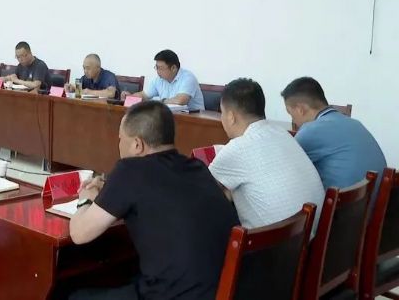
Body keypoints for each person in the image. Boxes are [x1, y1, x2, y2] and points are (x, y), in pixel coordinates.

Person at [69, 101, 239, 300]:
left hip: (170, 295)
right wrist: (109, 189)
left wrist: (85, 200)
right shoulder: (197, 168)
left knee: (73, 295)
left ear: (137, 144)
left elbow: (79, 234)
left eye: (120, 139)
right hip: (221, 291)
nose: (119, 145)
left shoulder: (130, 170)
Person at [209, 78, 324, 229]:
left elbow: (201, 190)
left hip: (274, 242)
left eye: (222, 112)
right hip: (311, 235)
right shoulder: (282, 133)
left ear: (231, 117)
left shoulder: (237, 148)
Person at [281, 77, 386, 191]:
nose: (293, 120)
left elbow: (282, 171)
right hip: (377, 198)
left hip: (344, 201)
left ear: (300, 109)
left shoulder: (311, 130)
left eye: (290, 114)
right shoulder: (355, 123)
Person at [125, 49, 205, 111]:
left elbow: (180, 101)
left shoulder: (188, 78)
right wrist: (129, 97)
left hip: (196, 120)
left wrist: (161, 101)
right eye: (156, 67)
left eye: (160, 68)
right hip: (171, 117)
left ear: (173, 68)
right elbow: (144, 95)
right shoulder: (159, 80)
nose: (158, 71)